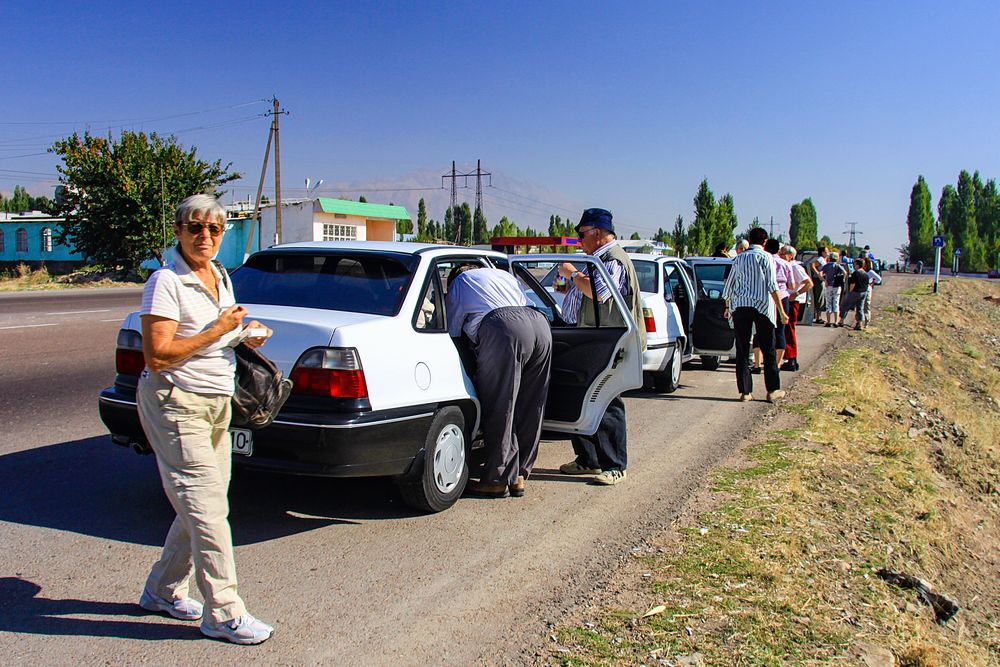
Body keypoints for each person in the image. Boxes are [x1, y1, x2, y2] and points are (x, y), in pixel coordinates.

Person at [136, 194, 274, 645]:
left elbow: (221, 335)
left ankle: (161, 591)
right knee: (208, 509)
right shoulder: (165, 282)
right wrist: (218, 330)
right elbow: (158, 355)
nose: (205, 237)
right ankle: (224, 612)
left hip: (217, 403)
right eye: (195, 227)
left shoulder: (219, 276)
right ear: (178, 231)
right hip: (178, 401)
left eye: (214, 229)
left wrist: (245, 335)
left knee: (204, 504)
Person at [555, 208, 646, 486]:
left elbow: (599, 293)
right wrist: (567, 284)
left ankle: (614, 464)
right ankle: (588, 460)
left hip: (610, 341)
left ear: (597, 232)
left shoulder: (613, 260)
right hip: (588, 339)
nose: (579, 239)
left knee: (607, 399)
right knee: (583, 398)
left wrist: (572, 275)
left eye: (581, 234)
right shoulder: (595, 260)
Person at [445, 265, 553, 498]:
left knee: (500, 404)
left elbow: (452, 331)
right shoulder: (501, 273)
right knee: (531, 403)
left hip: (504, 328)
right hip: (539, 324)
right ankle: (519, 474)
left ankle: (497, 478)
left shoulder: (460, 282)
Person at [722, 226, 789, 403]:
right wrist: (781, 311)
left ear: (749, 241)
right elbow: (772, 285)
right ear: (765, 242)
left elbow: (729, 286)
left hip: (740, 307)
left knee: (743, 349)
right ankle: (772, 390)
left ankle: (745, 392)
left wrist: (727, 306)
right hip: (762, 308)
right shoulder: (766, 257)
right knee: (768, 349)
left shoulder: (739, 258)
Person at [780, 245, 812, 371]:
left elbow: (809, 283)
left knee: (789, 329)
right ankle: (789, 356)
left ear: (790, 255)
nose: (781, 256)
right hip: (788, 299)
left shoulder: (794, 267)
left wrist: (796, 294)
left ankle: (791, 357)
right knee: (786, 329)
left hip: (793, 301)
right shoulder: (787, 266)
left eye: (783, 254)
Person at [840, 258, 870, 330]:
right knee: (860, 308)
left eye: (855, 264)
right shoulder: (866, 274)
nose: (854, 266)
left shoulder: (856, 273)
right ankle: (860, 323)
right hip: (863, 292)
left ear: (857, 265)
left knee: (846, 305)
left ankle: (841, 321)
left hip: (855, 292)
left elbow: (853, 284)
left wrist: (849, 291)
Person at [820, 251, 846, 327]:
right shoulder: (838, 265)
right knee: (836, 303)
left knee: (828, 303)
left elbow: (820, 273)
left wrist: (824, 280)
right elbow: (845, 273)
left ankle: (828, 321)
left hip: (828, 286)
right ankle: (836, 322)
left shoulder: (826, 266)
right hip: (837, 285)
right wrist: (842, 279)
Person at [808, 247, 829, 324]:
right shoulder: (820, 259)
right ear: (823, 252)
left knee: (821, 297)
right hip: (818, 280)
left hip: (822, 280)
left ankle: (818, 316)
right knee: (819, 297)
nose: (828, 253)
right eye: (826, 251)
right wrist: (818, 274)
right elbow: (812, 265)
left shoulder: (824, 260)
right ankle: (818, 317)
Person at [863, 257, 882, 325]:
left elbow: (879, 279)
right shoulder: (861, 271)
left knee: (866, 305)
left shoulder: (870, 272)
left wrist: (872, 282)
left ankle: (866, 322)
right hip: (861, 288)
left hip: (867, 288)